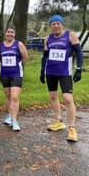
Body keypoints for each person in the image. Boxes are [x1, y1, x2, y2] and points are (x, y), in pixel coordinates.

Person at [40, 14, 83, 142]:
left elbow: (79, 53)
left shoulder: (70, 35)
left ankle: (72, 128)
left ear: (62, 24)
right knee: (53, 96)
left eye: (58, 23)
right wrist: (42, 71)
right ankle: (58, 120)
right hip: (51, 71)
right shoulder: (48, 39)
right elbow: (45, 57)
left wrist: (79, 69)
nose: (56, 26)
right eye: (53, 24)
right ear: (50, 26)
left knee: (67, 98)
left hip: (65, 72)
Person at [0, 26, 28, 131]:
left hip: (16, 74)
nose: (10, 34)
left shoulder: (19, 44)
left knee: (14, 97)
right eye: (8, 32)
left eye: (12, 32)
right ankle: (9, 115)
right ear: (5, 34)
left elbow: (25, 57)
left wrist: (19, 66)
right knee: (8, 96)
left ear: (14, 34)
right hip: (4, 74)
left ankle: (14, 120)